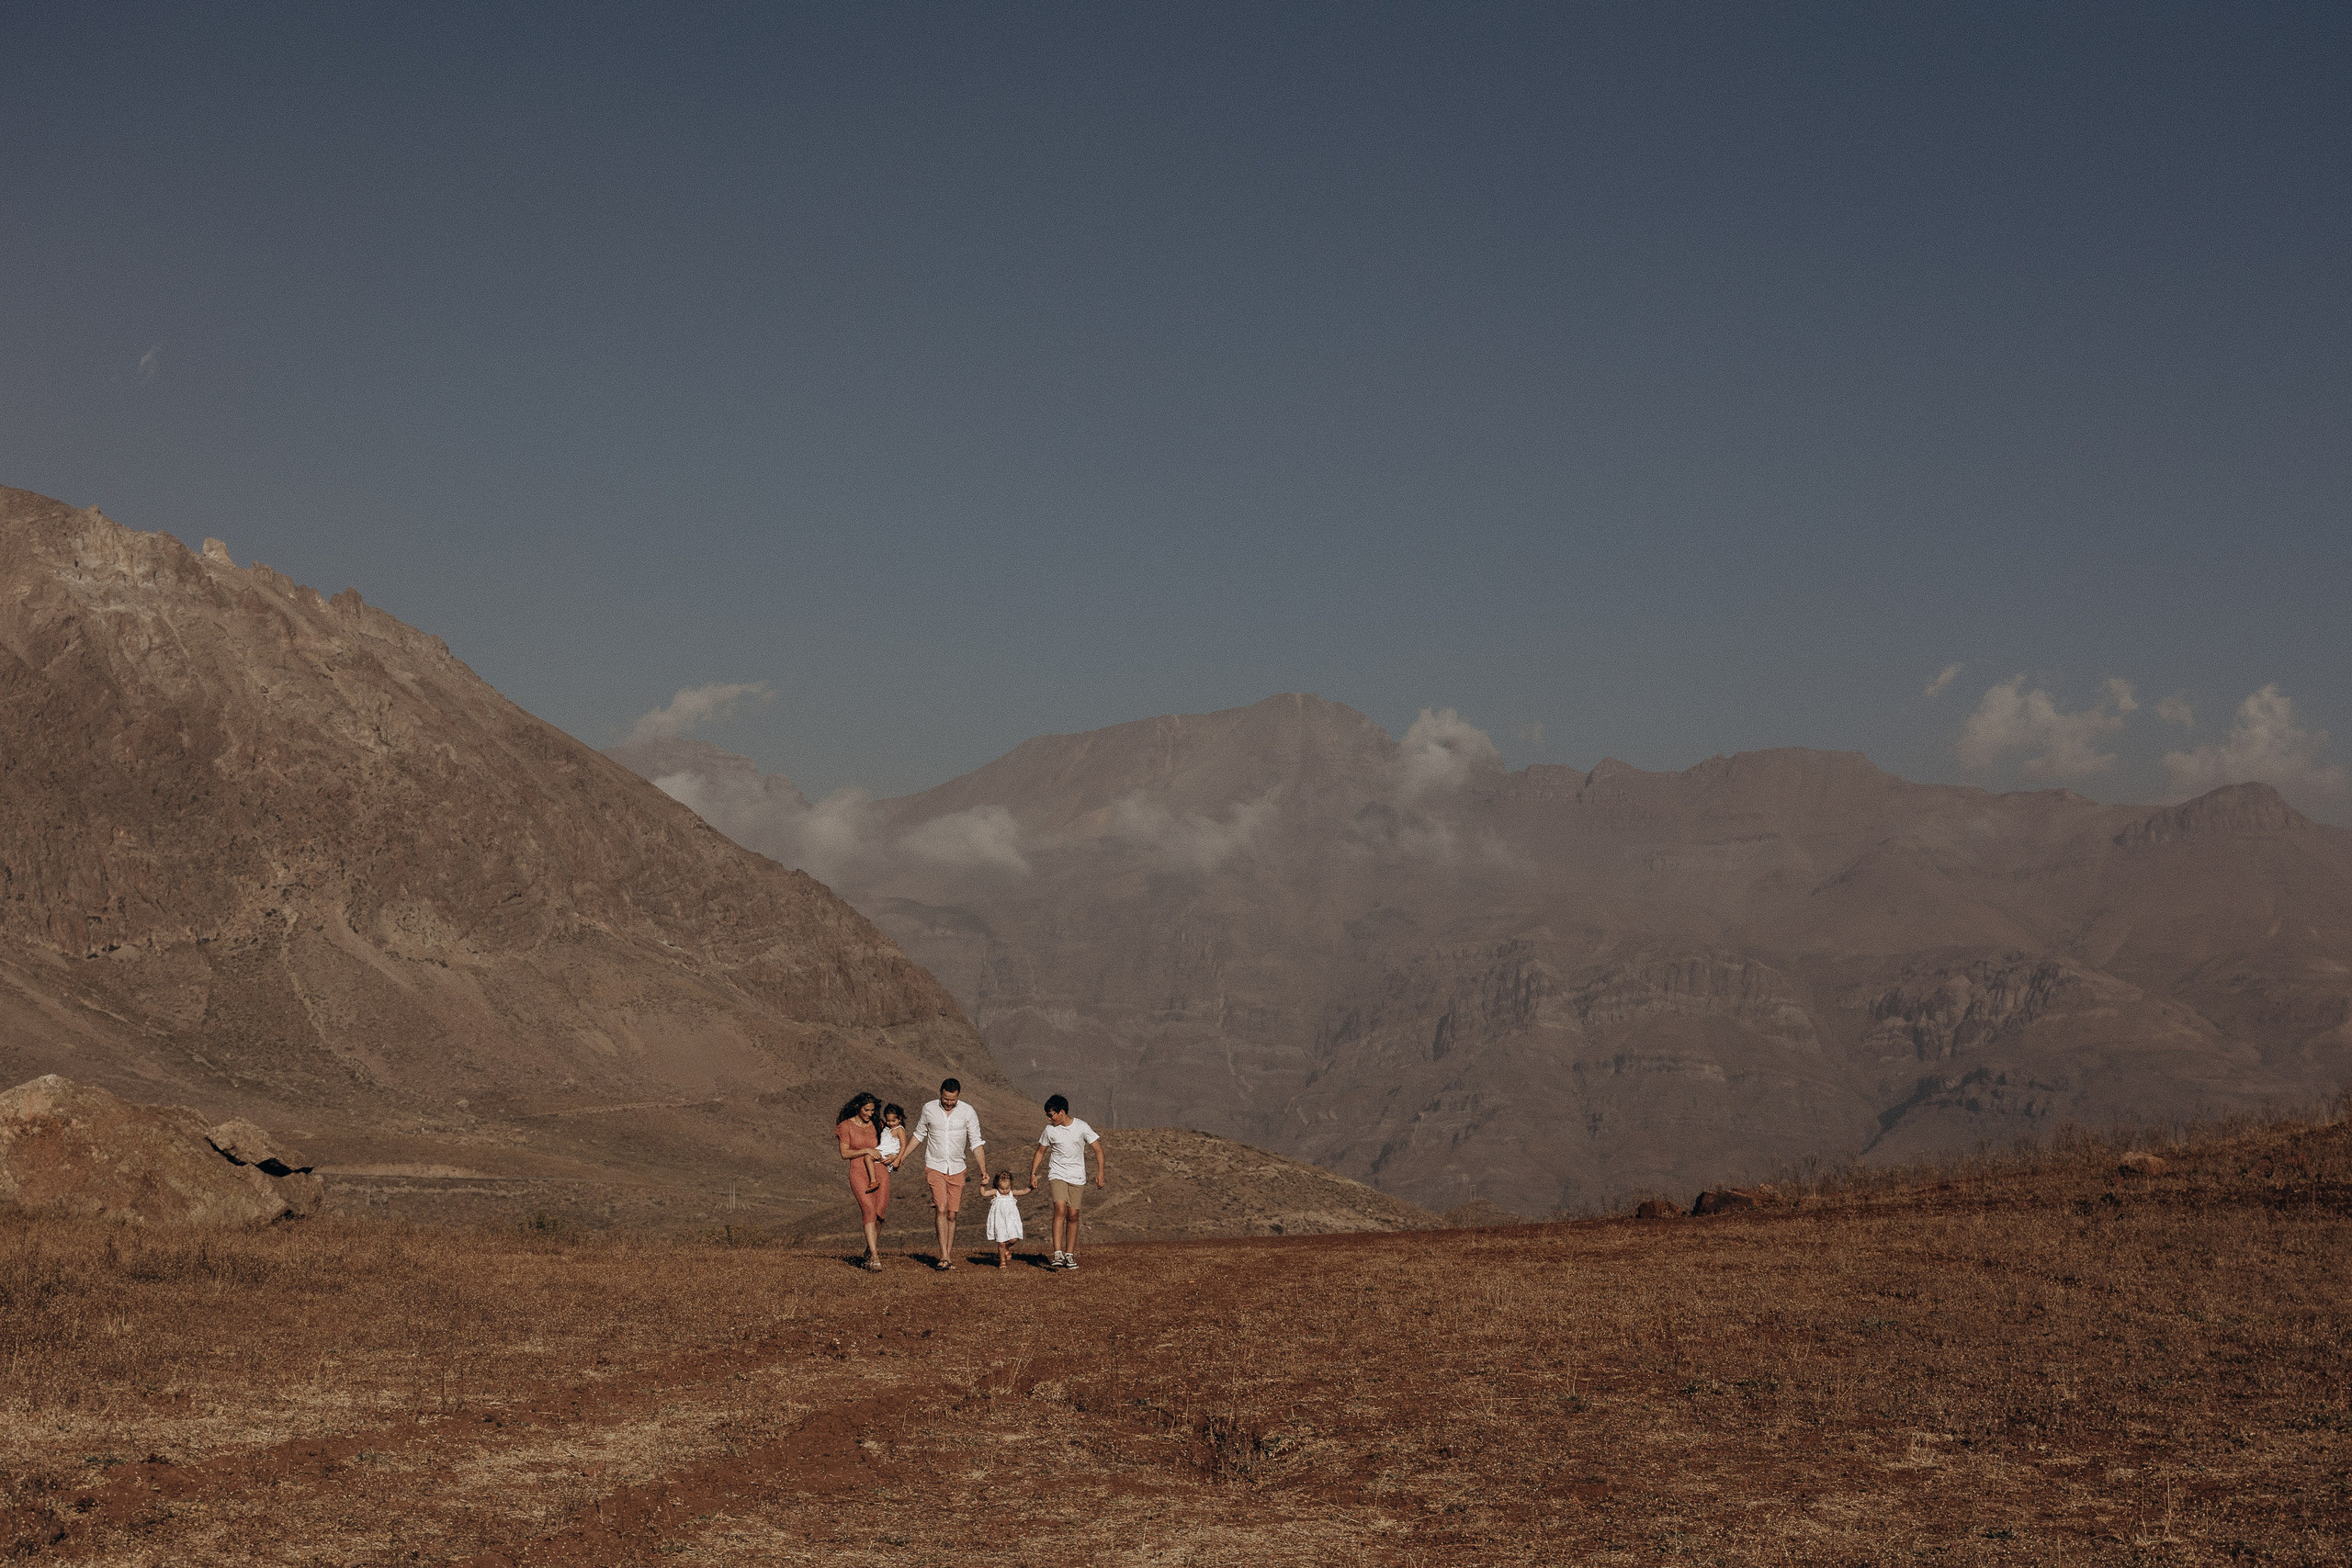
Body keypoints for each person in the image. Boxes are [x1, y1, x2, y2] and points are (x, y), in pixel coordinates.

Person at [909, 1077, 988, 1270]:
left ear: (958, 1096)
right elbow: (919, 1135)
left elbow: (976, 1142)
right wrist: (902, 1157)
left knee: (952, 1214)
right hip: (934, 1165)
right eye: (946, 1099)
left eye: (952, 1100)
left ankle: (948, 1255)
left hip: (957, 1168)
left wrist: (984, 1170)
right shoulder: (929, 1109)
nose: (948, 1103)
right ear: (940, 1093)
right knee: (941, 1208)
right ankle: (943, 1255)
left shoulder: (968, 1112)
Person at [1027, 1093, 1104, 1270]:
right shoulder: (1049, 1130)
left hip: (1077, 1176)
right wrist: (1033, 1173)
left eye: (1051, 1114)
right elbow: (1040, 1152)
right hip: (1057, 1174)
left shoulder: (1082, 1127)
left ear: (1061, 1112)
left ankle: (1069, 1255)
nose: (1049, 1118)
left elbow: (1098, 1150)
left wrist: (1100, 1173)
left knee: (1073, 1215)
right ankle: (1057, 1253)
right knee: (1060, 1209)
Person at [834, 1092, 888, 1271]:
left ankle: (868, 1250)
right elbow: (844, 1153)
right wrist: (866, 1150)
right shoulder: (845, 1126)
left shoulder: (877, 1124)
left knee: (879, 1214)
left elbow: (891, 1141)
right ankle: (874, 1256)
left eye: (872, 1110)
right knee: (868, 1210)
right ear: (858, 1107)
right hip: (858, 1171)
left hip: (879, 1170)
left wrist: (895, 1157)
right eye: (866, 1110)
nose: (870, 1114)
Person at [982, 1171, 1033, 1268]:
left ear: (1011, 1185)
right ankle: (1002, 1261)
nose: (1005, 1191)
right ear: (997, 1185)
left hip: (1011, 1220)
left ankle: (1007, 1248)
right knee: (1001, 1242)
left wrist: (1031, 1187)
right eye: (1002, 1188)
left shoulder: (1011, 1193)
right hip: (999, 1220)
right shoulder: (995, 1193)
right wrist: (982, 1185)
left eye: (1007, 1188)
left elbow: (1023, 1191)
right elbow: (983, 1193)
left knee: (1013, 1239)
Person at [878, 1103, 911, 1173]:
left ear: (900, 1118)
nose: (891, 1123)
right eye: (888, 1121)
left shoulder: (899, 1129)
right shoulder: (887, 1129)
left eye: (893, 1121)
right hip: (883, 1153)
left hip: (890, 1155)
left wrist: (898, 1159)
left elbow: (903, 1145)